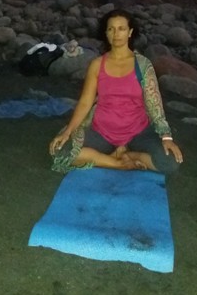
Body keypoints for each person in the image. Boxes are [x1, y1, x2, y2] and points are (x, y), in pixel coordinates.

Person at [49, 9, 183, 174]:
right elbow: (85, 102)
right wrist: (68, 131)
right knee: (60, 150)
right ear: (106, 33)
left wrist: (166, 137)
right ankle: (117, 162)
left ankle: (131, 155)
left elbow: (154, 103)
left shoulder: (142, 65)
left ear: (130, 32)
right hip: (102, 132)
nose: (116, 34)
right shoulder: (97, 65)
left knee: (170, 162)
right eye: (111, 29)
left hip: (138, 132)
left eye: (121, 28)